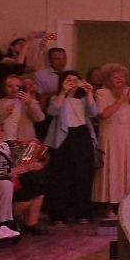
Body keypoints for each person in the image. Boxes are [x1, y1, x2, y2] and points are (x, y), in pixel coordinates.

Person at [92, 62, 130, 224]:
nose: (120, 80)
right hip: (111, 136)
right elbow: (103, 114)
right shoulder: (102, 93)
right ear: (108, 79)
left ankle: (128, 203)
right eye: (116, 77)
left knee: (129, 168)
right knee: (112, 168)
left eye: (122, 77)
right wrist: (120, 100)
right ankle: (110, 206)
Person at [44, 70, 98, 224]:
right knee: (61, 177)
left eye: (75, 80)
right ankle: (58, 215)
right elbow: (53, 110)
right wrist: (63, 92)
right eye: (68, 80)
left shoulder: (82, 99)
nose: (72, 83)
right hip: (63, 138)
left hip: (82, 136)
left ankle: (83, 213)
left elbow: (94, 112)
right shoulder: (57, 98)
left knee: (83, 176)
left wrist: (89, 93)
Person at [0, 75, 45, 142]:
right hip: (2, 142)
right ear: (4, 88)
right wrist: (4, 114)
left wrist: (30, 103)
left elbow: (40, 118)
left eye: (17, 86)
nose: (14, 89)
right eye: (9, 86)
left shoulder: (29, 102)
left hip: (25, 142)